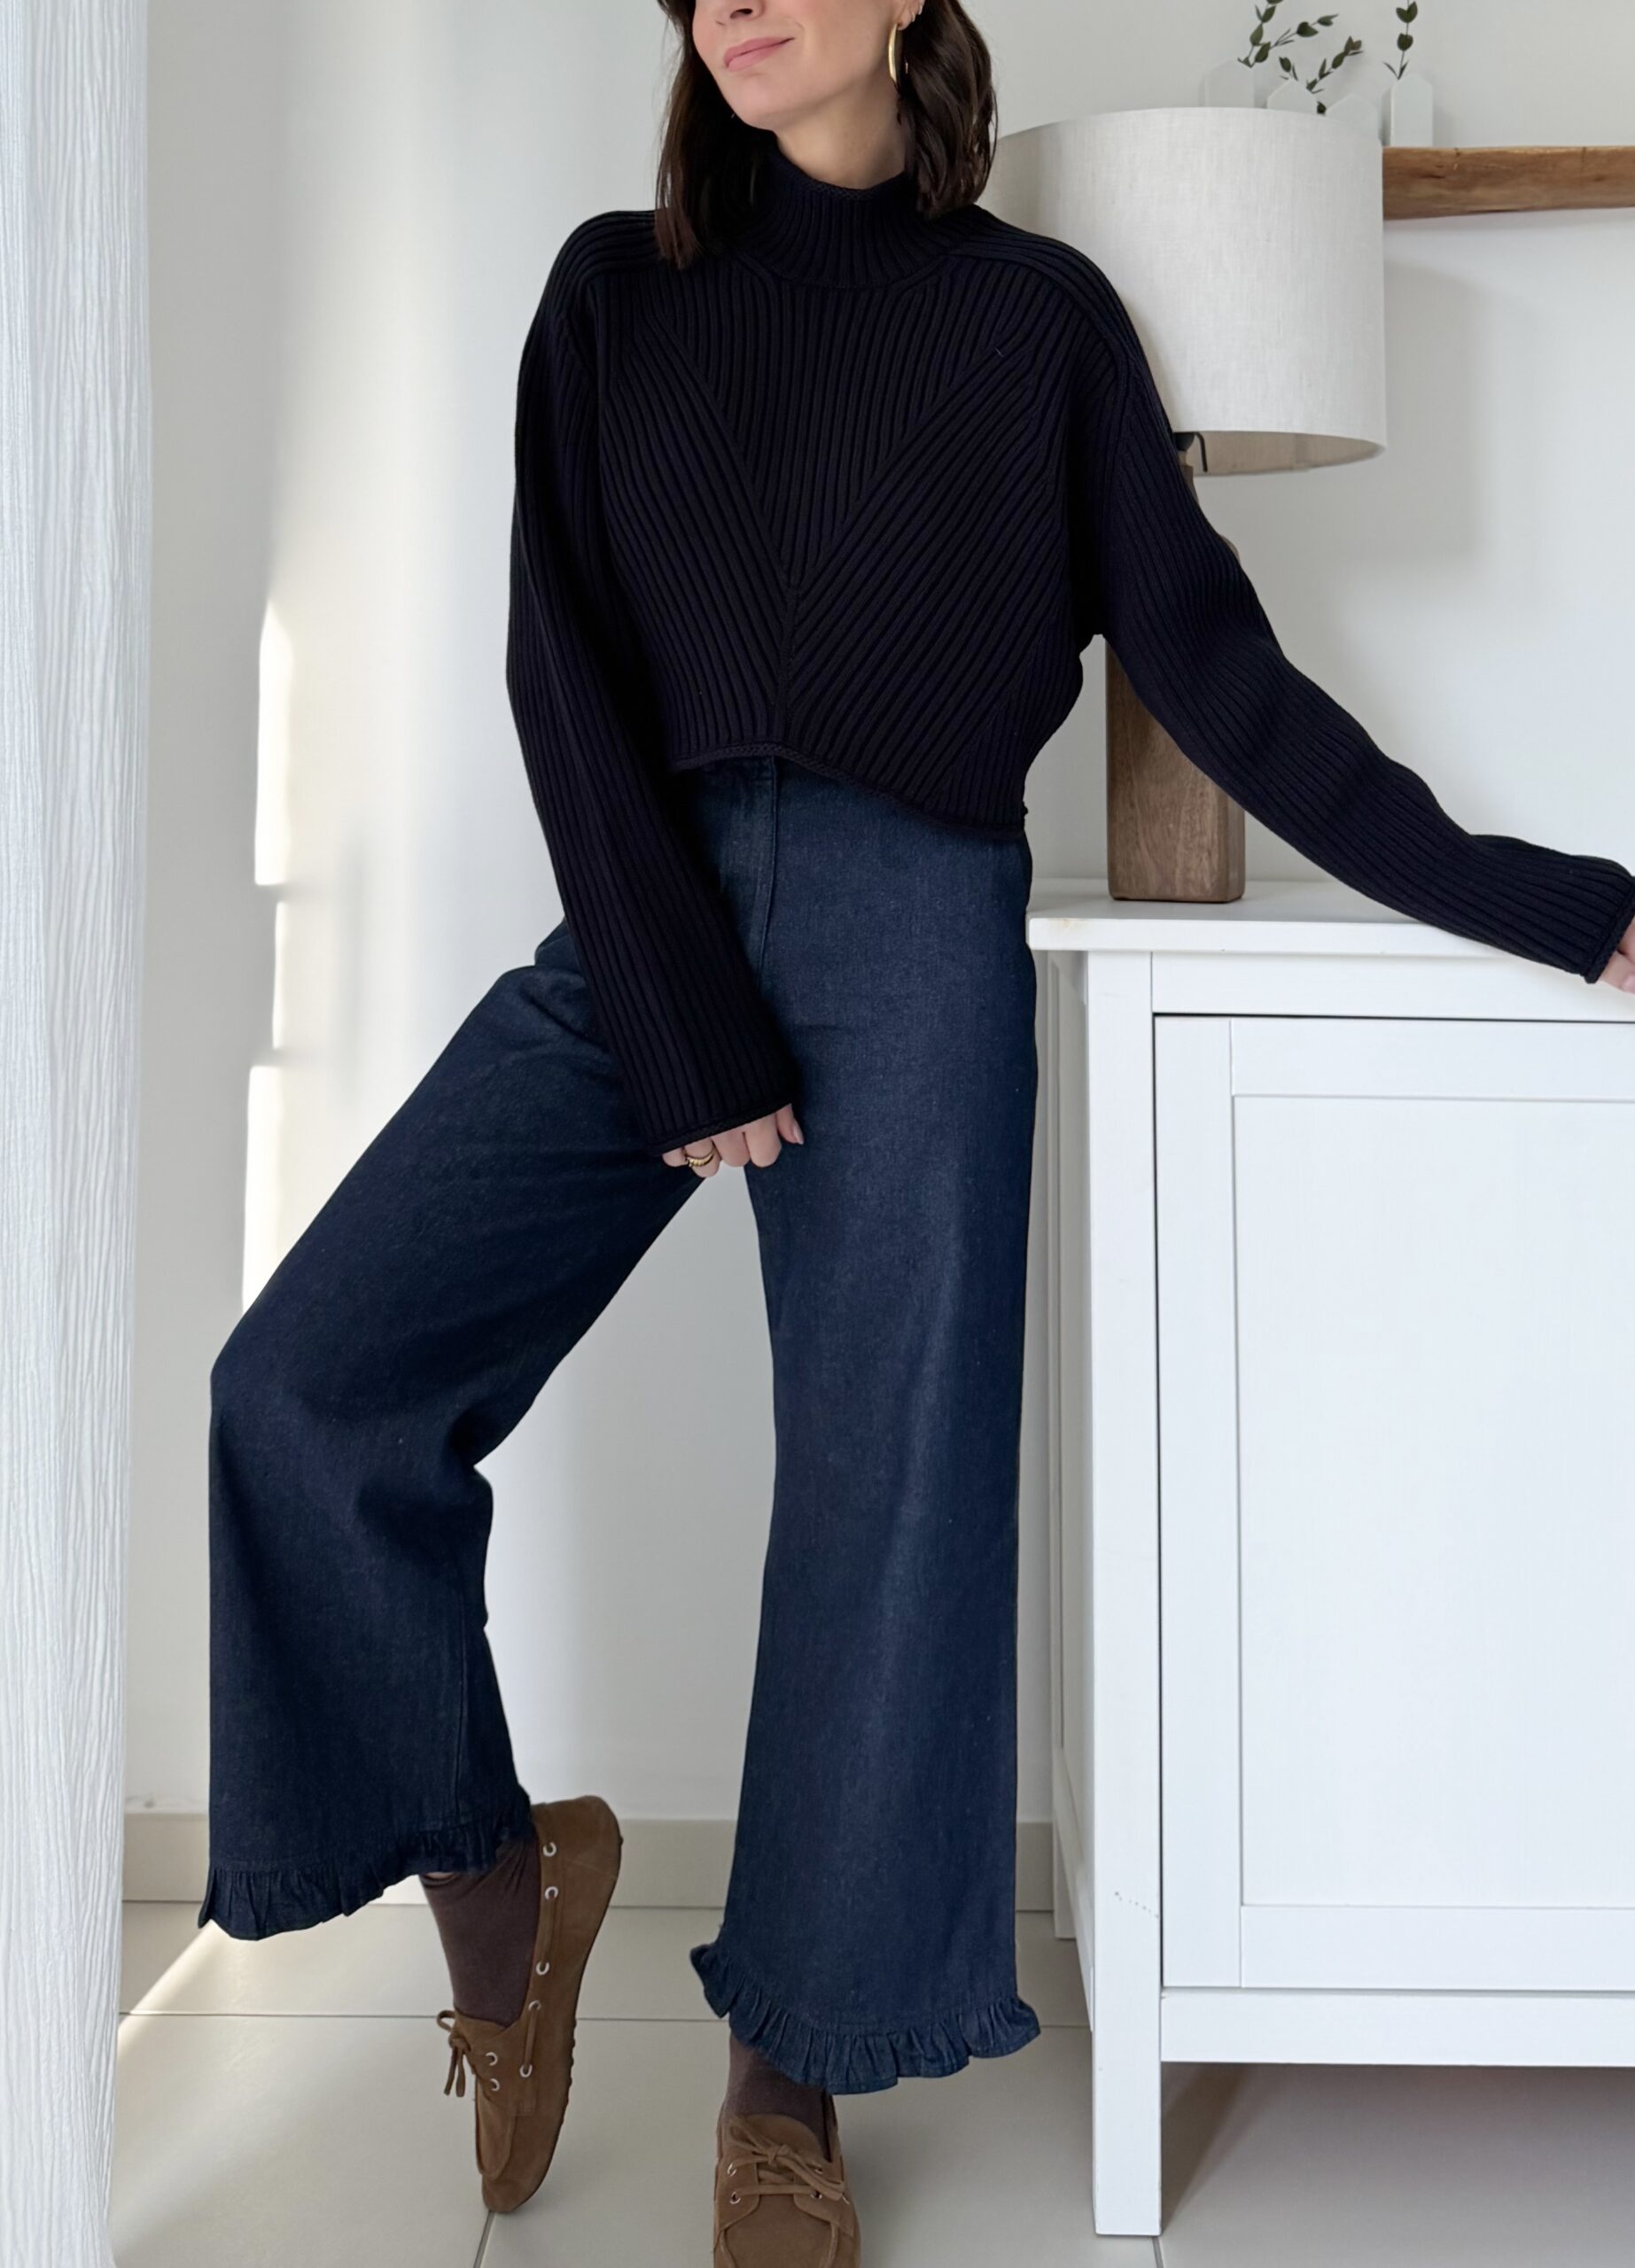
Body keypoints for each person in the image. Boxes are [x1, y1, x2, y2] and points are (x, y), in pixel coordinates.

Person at [200, 1, 1635, 2258]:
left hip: (917, 926)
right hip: (649, 916)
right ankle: (496, 1876)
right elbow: (558, 668)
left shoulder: (1037, 323)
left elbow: (1224, 678)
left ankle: (791, 2067)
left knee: (890, 1507)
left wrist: (1558, 904)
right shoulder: (612, 292)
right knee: (302, 1384)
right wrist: (675, 1009)